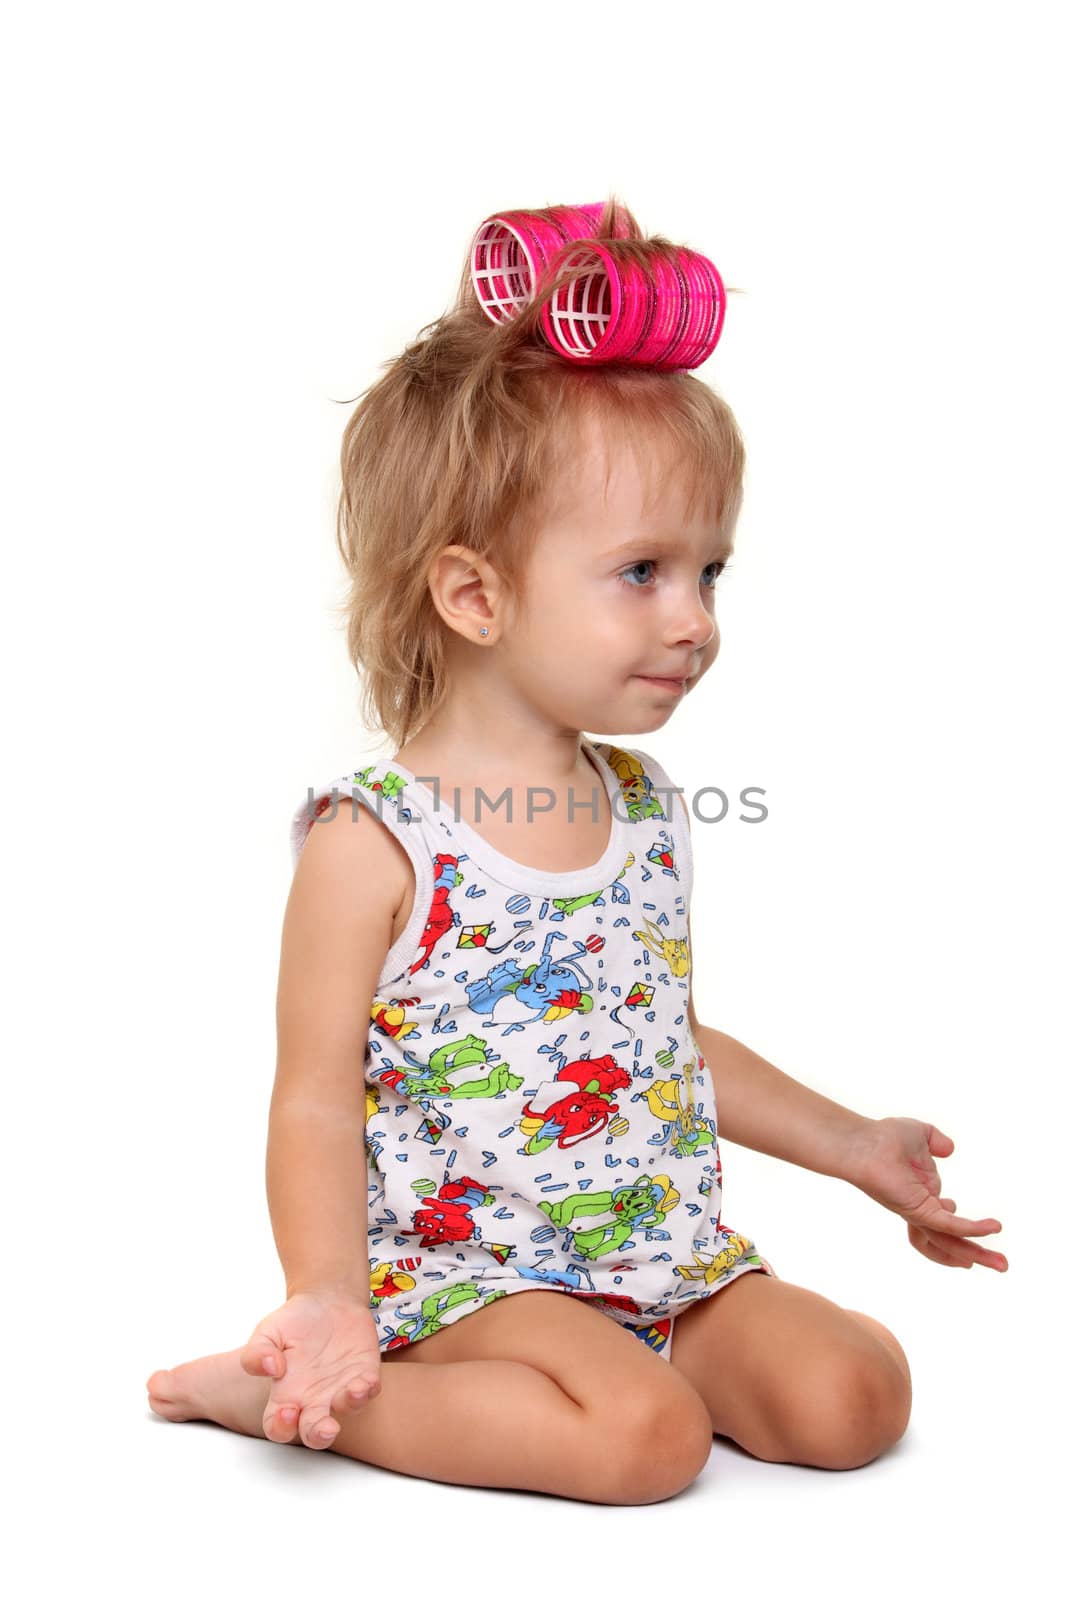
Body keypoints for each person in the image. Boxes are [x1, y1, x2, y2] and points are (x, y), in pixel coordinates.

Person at [146, 196, 1008, 1505]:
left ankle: (638, 1365)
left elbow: (657, 1041)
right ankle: (290, 1393)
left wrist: (855, 1145)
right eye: (644, 572)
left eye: (711, 572)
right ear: (476, 594)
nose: (697, 620)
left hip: (661, 1257)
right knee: (646, 1444)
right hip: (476, 1270)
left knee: (856, 1396)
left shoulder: (647, 809)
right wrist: (322, 1291)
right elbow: (313, 1096)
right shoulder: (373, 841)